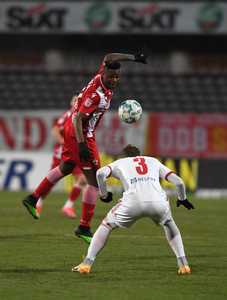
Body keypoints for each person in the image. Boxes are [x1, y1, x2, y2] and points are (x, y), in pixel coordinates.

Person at [22, 52, 147, 243]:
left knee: (66, 167)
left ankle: (33, 198)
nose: (114, 80)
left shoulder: (101, 74)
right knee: (95, 182)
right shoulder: (96, 96)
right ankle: (84, 227)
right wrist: (81, 145)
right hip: (81, 134)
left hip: (75, 131)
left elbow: (109, 55)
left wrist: (133, 58)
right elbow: (80, 118)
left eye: (117, 77)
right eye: (111, 76)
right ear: (104, 73)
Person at [72, 144, 194, 275]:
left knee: (106, 225)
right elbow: (179, 182)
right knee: (169, 224)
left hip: (132, 202)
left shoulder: (120, 162)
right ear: (139, 155)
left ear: (123, 156)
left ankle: (87, 263)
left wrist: (104, 194)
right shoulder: (153, 161)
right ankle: (183, 264)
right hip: (158, 202)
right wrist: (182, 198)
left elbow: (100, 173)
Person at [36, 95, 88, 219]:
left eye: (78, 100)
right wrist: (64, 142)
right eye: (75, 99)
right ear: (71, 102)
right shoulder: (68, 114)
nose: (76, 102)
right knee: (51, 181)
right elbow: (55, 130)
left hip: (74, 153)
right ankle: (38, 203)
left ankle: (68, 206)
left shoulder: (82, 116)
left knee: (82, 179)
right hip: (62, 153)